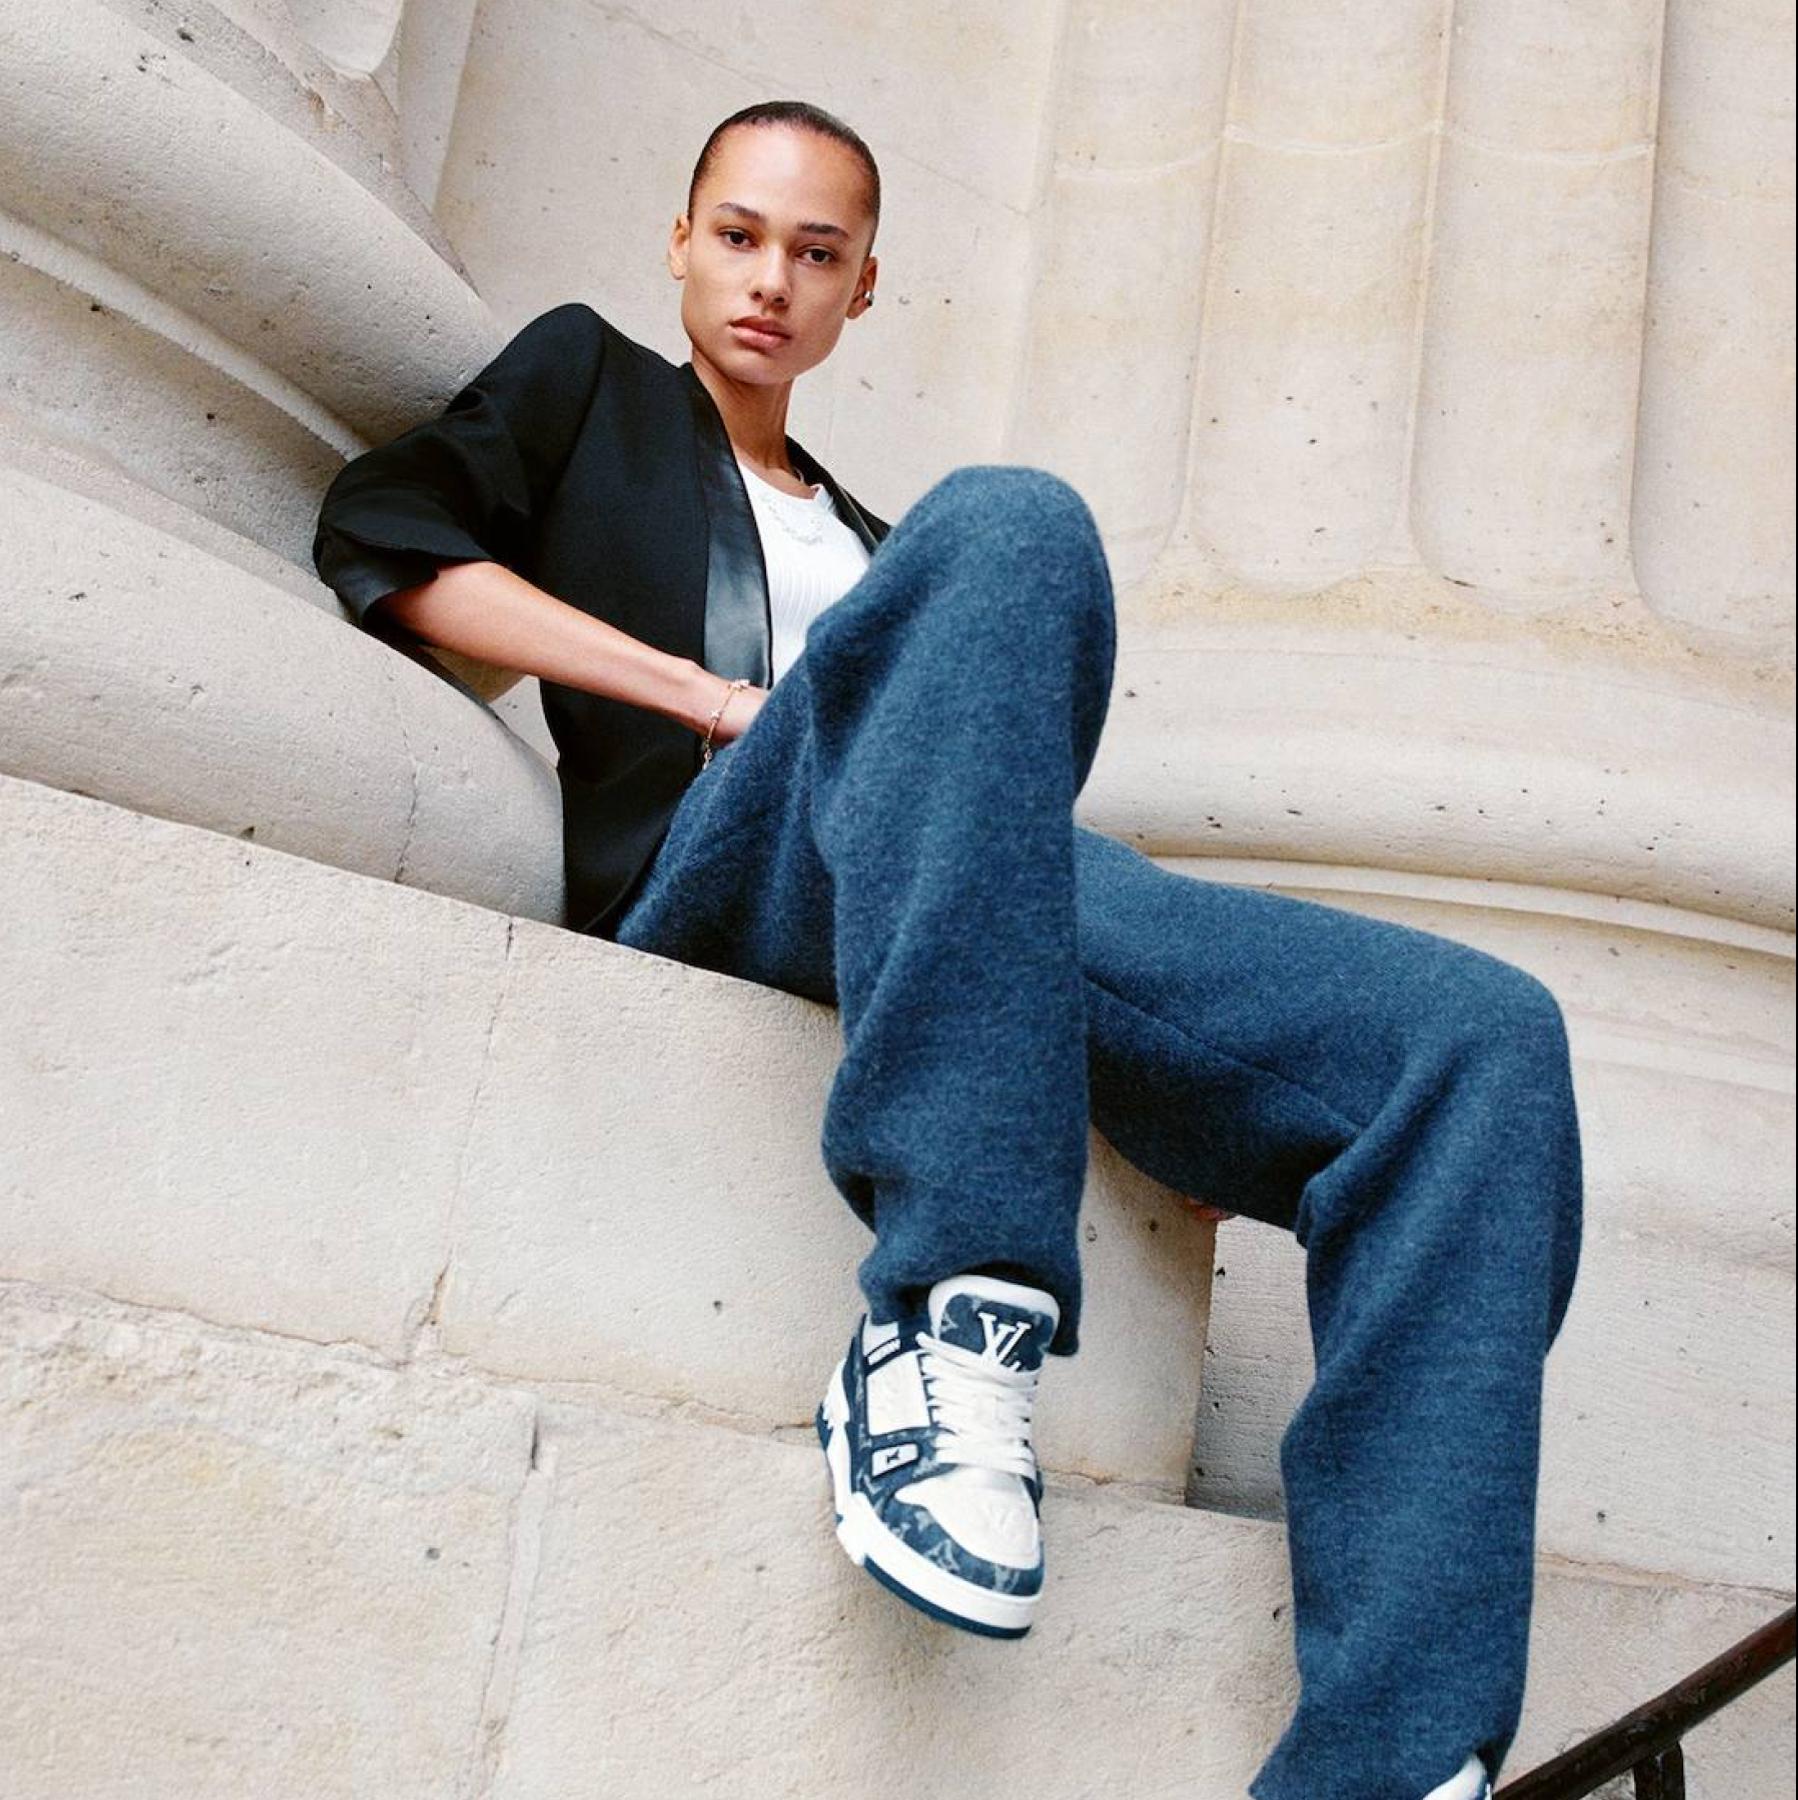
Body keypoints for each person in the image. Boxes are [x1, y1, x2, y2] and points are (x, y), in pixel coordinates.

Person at [312, 98, 1583, 1800]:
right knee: (1014, 522)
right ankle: (949, 1313)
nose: (768, 280)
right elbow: (385, 540)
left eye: (814, 253)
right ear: (679, 241)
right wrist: (704, 698)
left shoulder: (882, 542)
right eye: (738, 235)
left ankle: (1396, 1755)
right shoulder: (589, 387)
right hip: (717, 858)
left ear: (862, 289)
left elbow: (982, 818)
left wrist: (1191, 1066)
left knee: (1476, 1039)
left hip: (933, 876)